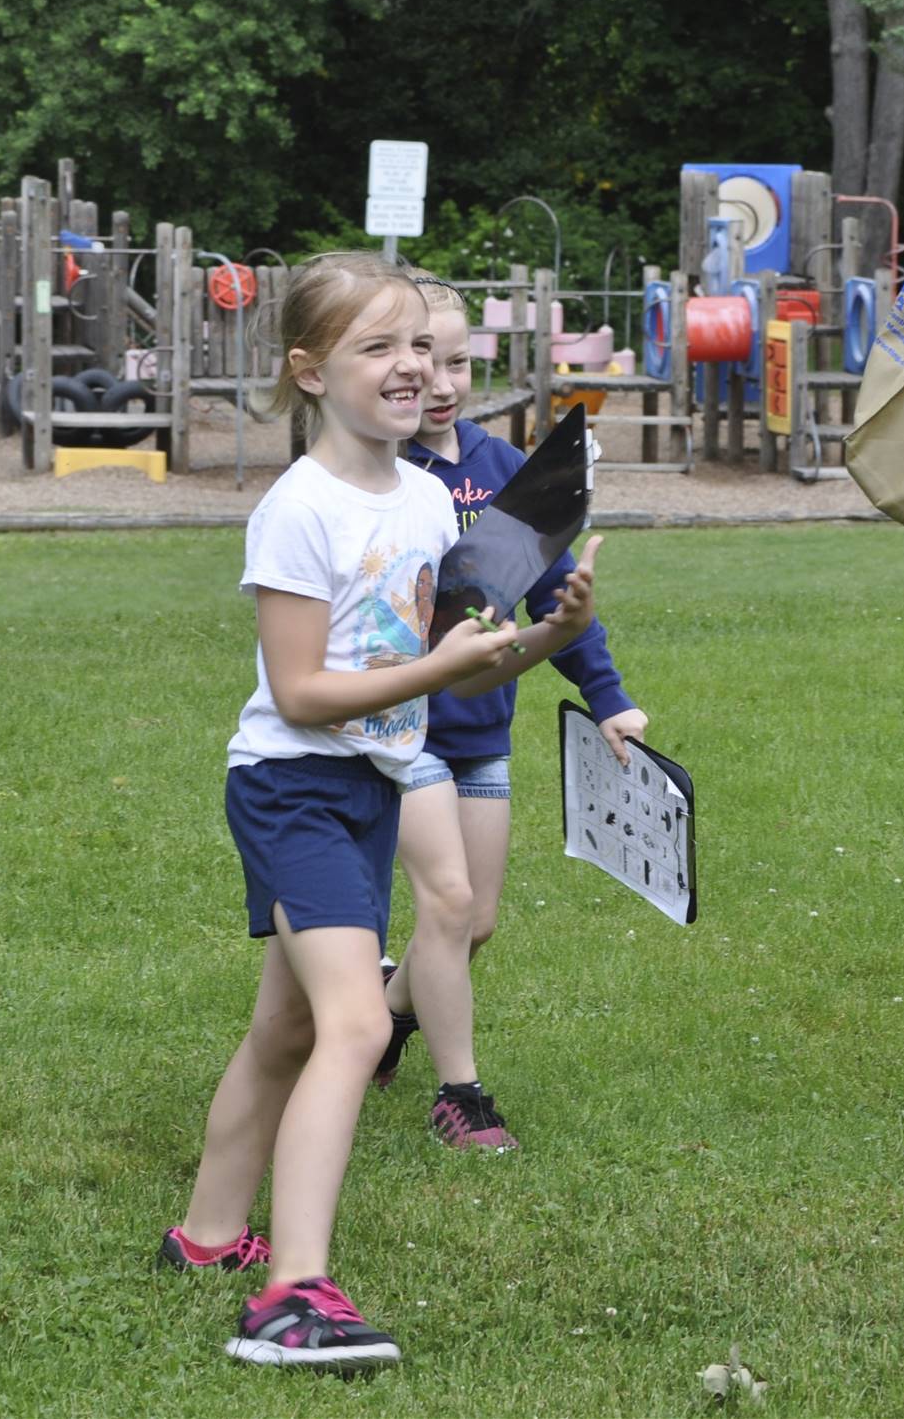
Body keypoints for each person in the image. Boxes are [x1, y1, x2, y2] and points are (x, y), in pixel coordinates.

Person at [160, 252, 606, 1369]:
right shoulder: (296, 511)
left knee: (291, 1028)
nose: (411, 367)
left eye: (420, 344)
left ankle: (209, 1236)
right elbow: (307, 691)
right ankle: (291, 1295)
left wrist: (542, 639)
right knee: (358, 1024)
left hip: (369, 782)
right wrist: (435, 666)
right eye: (379, 347)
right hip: (294, 786)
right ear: (311, 372)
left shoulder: (421, 496)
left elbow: (439, 669)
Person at [372, 276, 647, 1150]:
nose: (443, 382)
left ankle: (384, 1014)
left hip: (481, 738)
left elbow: (552, 604)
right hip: (400, 731)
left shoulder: (506, 473)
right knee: (447, 902)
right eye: (424, 360)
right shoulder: (378, 474)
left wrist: (608, 698)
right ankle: (462, 1096)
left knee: (475, 919)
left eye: (457, 361)